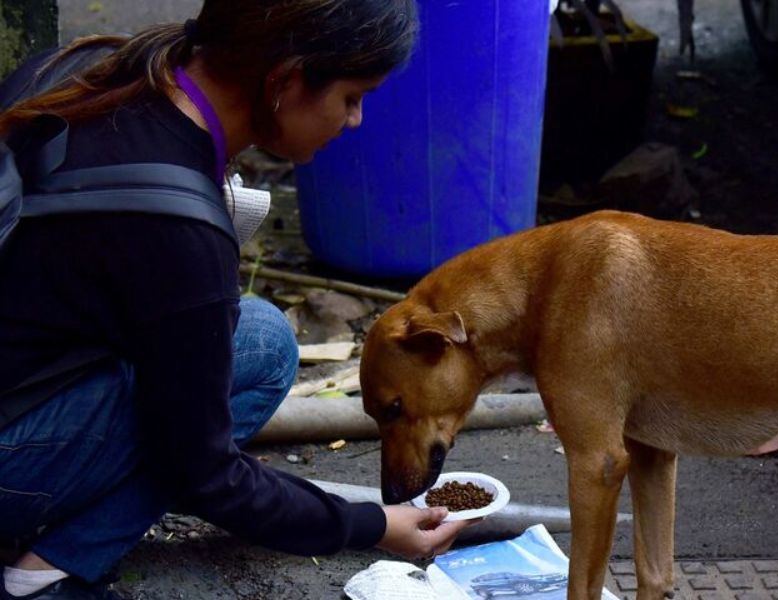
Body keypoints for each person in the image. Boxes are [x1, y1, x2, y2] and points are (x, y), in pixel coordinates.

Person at [0, 2, 474, 599]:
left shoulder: (89, 69)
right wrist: (371, 525)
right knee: (255, 358)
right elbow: (204, 473)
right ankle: (43, 575)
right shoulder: (177, 228)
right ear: (285, 81)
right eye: (353, 96)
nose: (354, 120)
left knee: (259, 338)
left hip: (25, 369)